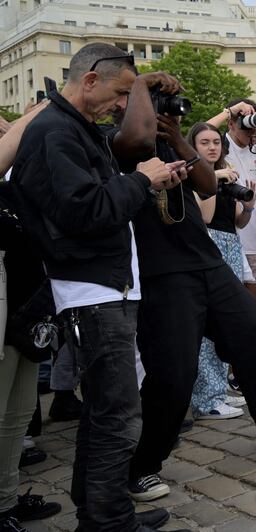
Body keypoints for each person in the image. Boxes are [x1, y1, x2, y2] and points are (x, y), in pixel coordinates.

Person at [10, 43, 187, 532]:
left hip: (104, 287)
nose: (121, 105)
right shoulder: (55, 132)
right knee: (117, 415)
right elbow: (82, 212)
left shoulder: (73, 129)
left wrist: (144, 176)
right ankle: (108, 521)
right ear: (90, 80)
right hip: (92, 292)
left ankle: (104, 513)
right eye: (120, 93)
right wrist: (143, 181)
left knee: (106, 414)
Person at [126, 99, 256, 502]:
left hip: (207, 262)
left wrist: (180, 139)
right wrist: (145, 94)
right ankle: (143, 466)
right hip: (163, 274)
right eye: (158, 107)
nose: (170, 114)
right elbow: (133, 138)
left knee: (254, 336)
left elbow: (205, 184)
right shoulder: (124, 147)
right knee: (174, 375)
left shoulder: (179, 145)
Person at [0, 102, 64, 532]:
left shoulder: (12, 187)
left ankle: (5, 501)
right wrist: (36, 115)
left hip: (25, 317)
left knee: (18, 415)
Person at [187, 122, 256, 420]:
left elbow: (238, 221)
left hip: (230, 245)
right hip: (209, 247)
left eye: (216, 142)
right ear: (193, 146)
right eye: (204, 142)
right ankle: (206, 399)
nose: (213, 147)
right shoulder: (193, 176)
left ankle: (219, 389)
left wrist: (250, 205)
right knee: (208, 329)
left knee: (225, 326)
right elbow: (204, 216)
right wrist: (212, 179)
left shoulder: (225, 173)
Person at [205, 99, 256, 313]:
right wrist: (229, 112)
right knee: (226, 310)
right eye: (245, 126)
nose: (252, 132)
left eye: (255, 127)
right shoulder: (217, 146)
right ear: (231, 124)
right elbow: (199, 135)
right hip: (225, 238)